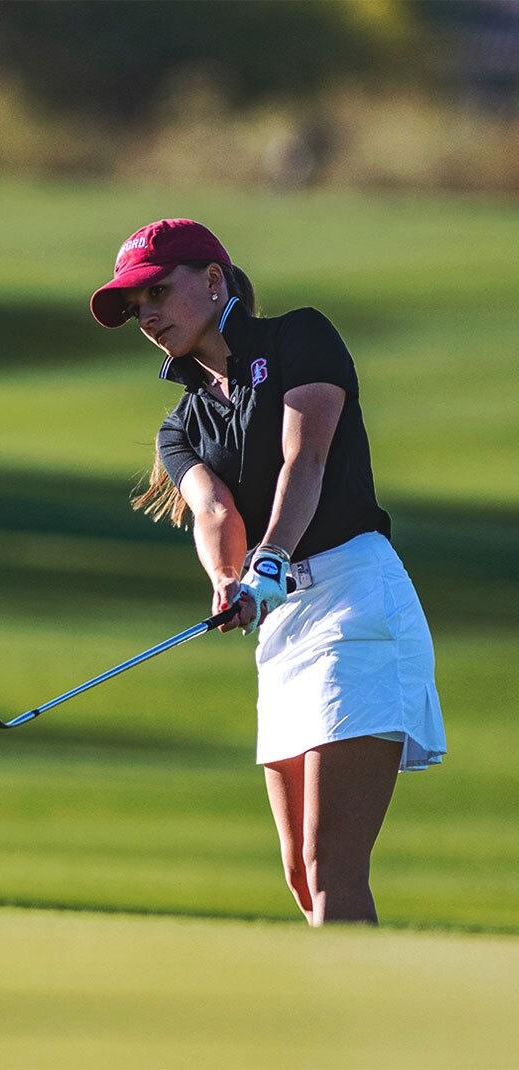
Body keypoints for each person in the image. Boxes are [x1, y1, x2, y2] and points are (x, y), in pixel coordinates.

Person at [90, 219, 446, 926]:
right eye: (136, 306)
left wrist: (270, 559)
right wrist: (228, 580)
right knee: (299, 878)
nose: (148, 315)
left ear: (214, 281)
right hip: (281, 623)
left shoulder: (298, 338)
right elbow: (212, 509)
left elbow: (302, 459)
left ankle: (357, 1029)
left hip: (354, 605)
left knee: (329, 865)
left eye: (158, 290)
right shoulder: (180, 425)